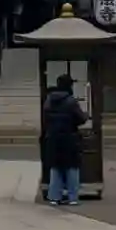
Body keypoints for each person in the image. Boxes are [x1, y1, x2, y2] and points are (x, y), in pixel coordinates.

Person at [42, 73, 87, 207]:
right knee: (71, 167)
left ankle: (54, 196)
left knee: (56, 168)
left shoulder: (49, 100)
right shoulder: (71, 102)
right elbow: (81, 118)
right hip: (69, 138)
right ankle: (72, 197)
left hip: (53, 138)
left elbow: (45, 119)